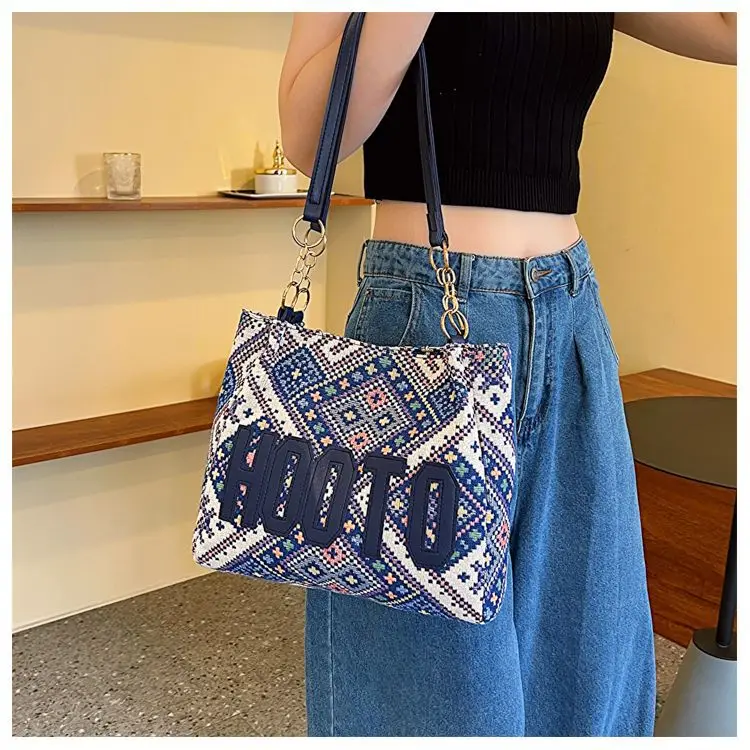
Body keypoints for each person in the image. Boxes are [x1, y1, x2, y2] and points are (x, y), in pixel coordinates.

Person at [277, 12, 737, 737]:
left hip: (569, 311)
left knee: (585, 653)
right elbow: (309, 142)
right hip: (425, 317)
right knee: (427, 683)